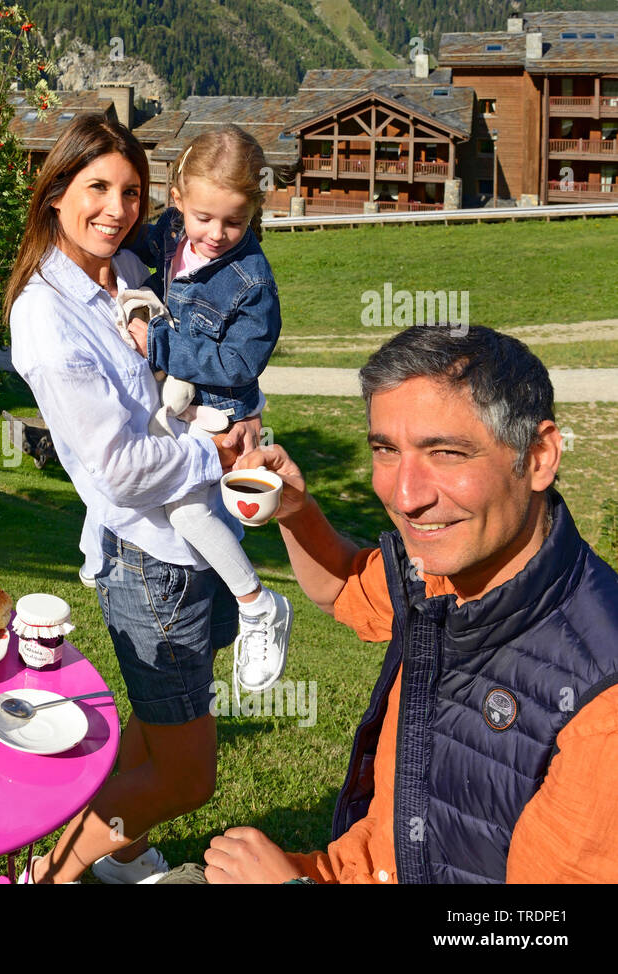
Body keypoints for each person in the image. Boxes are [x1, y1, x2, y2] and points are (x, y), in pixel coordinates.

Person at [160, 324, 618, 884]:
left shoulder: (602, 709)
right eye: (386, 450)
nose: (406, 498)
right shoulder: (448, 568)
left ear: (539, 456)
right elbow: (343, 589)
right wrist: (295, 510)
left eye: (446, 453)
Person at [4, 113, 265, 884]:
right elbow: (118, 469)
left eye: (130, 191)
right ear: (56, 193)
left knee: (155, 740)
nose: (116, 209)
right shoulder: (46, 315)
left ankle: (113, 851)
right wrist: (209, 452)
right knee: (189, 778)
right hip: (152, 560)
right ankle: (48, 875)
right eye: (96, 189)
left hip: (191, 543)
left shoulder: (123, 274)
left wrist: (233, 427)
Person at [114, 124, 291, 693]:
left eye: (234, 222)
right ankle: (229, 607)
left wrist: (157, 343)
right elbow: (120, 255)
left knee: (186, 512)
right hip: (179, 403)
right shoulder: (167, 234)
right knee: (199, 517)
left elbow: (239, 364)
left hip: (220, 407)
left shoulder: (252, 281)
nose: (216, 234)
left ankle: (259, 605)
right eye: (204, 218)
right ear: (179, 200)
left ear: (253, 212)